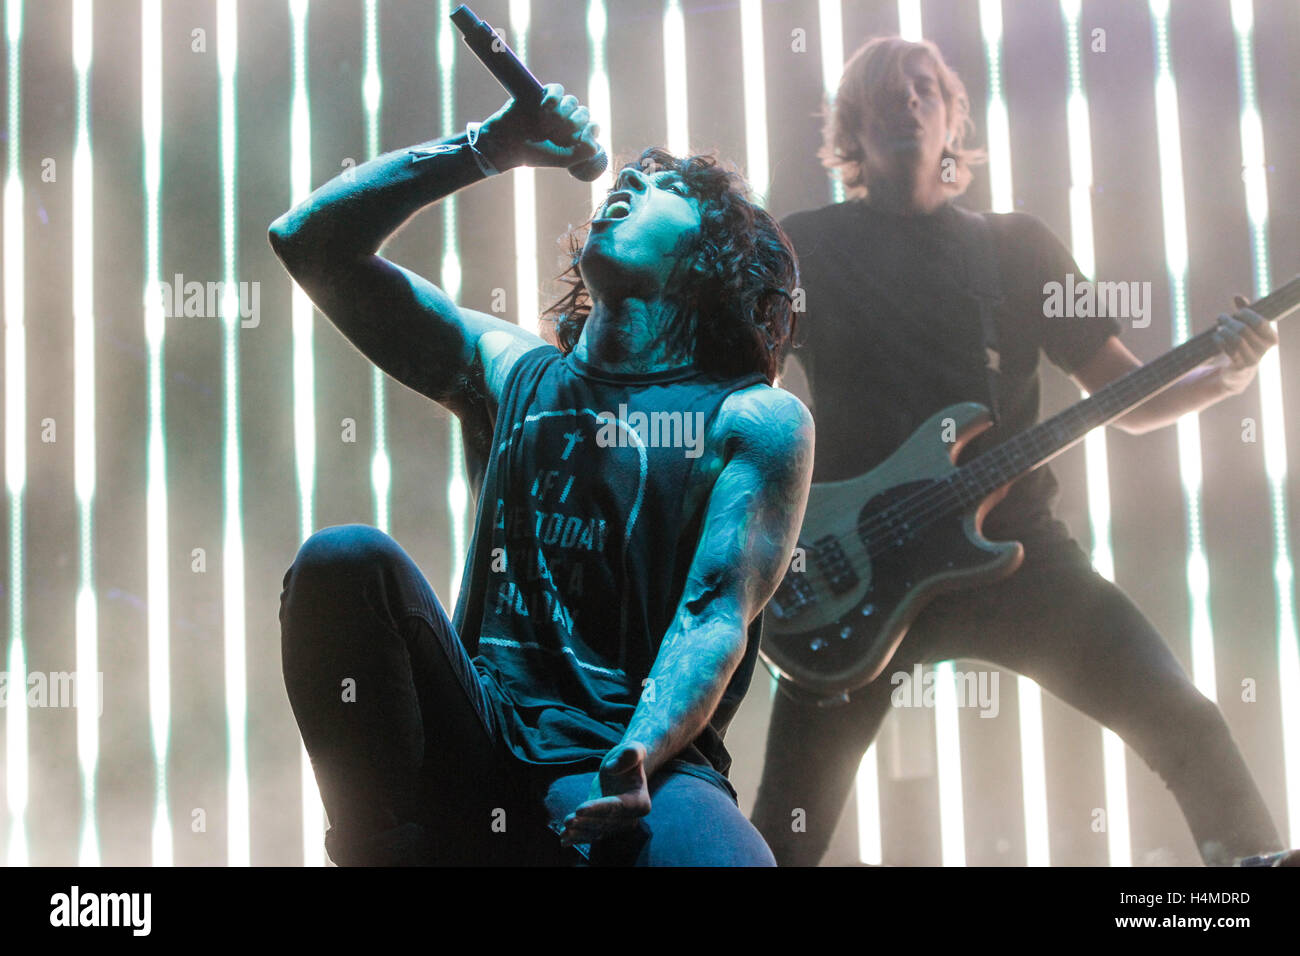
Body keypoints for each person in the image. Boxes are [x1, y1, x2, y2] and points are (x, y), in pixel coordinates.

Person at [751, 35, 1286, 867]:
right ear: (851, 125)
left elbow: (1129, 397)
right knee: (785, 828)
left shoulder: (1015, 248)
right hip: (850, 567)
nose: (909, 102)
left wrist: (1226, 375)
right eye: (886, 92)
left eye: (926, 88)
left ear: (954, 117)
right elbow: (737, 397)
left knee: (1187, 722)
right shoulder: (802, 246)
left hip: (1020, 553)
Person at [269, 83, 813, 866]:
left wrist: (638, 754)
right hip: (478, 734)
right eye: (626, 178)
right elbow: (310, 242)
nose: (626, 183)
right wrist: (488, 147)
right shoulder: (510, 373)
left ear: (715, 252)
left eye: (663, 185)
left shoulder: (753, 418)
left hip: (632, 761)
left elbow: (713, 614)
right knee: (345, 562)